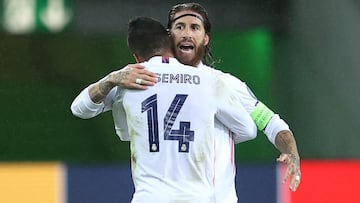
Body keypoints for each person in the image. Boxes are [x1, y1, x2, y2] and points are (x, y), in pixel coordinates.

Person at [116, 2, 301, 202]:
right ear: (169, 37)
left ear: (205, 38)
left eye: (194, 27)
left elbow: (269, 121)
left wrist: (291, 151)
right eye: (180, 27)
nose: (186, 33)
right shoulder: (150, 83)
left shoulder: (225, 84)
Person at [71, 16, 257, 202]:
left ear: (136, 57)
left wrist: (111, 79)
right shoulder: (207, 80)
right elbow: (248, 130)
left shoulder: (129, 80)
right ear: (171, 42)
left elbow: (79, 109)